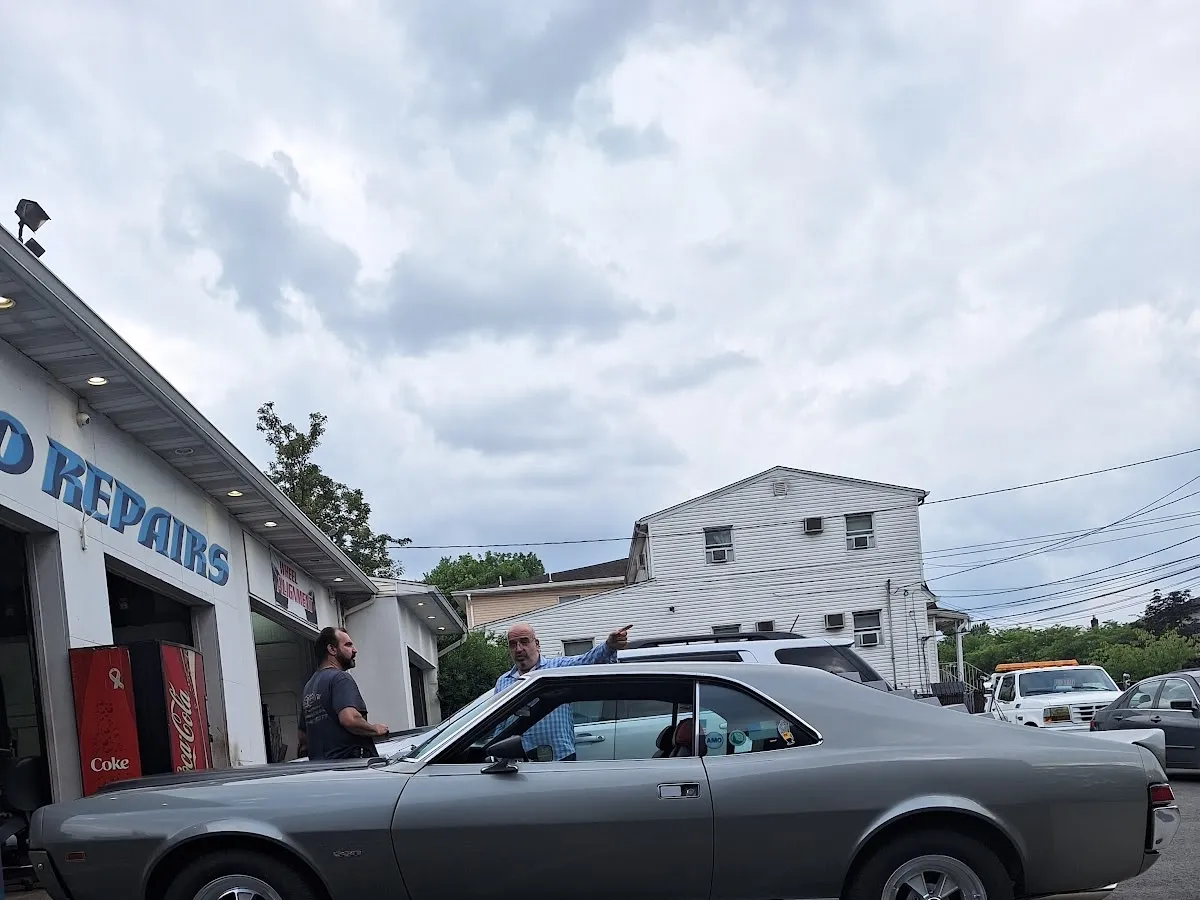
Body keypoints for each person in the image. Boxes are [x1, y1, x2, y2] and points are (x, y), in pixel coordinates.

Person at [493, 622, 633, 761]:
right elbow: (498, 724)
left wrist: (608, 646)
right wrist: (496, 755)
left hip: (559, 758)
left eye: (524, 642)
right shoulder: (504, 682)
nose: (518, 649)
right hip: (519, 764)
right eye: (513, 644)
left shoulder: (557, 669)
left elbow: (587, 661)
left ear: (537, 644)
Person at [297, 627, 388, 760]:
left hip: (322, 768)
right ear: (332, 649)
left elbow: (303, 736)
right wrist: (376, 729)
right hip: (351, 766)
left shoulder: (309, 686)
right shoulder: (340, 678)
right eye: (348, 645)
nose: (354, 650)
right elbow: (349, 719)